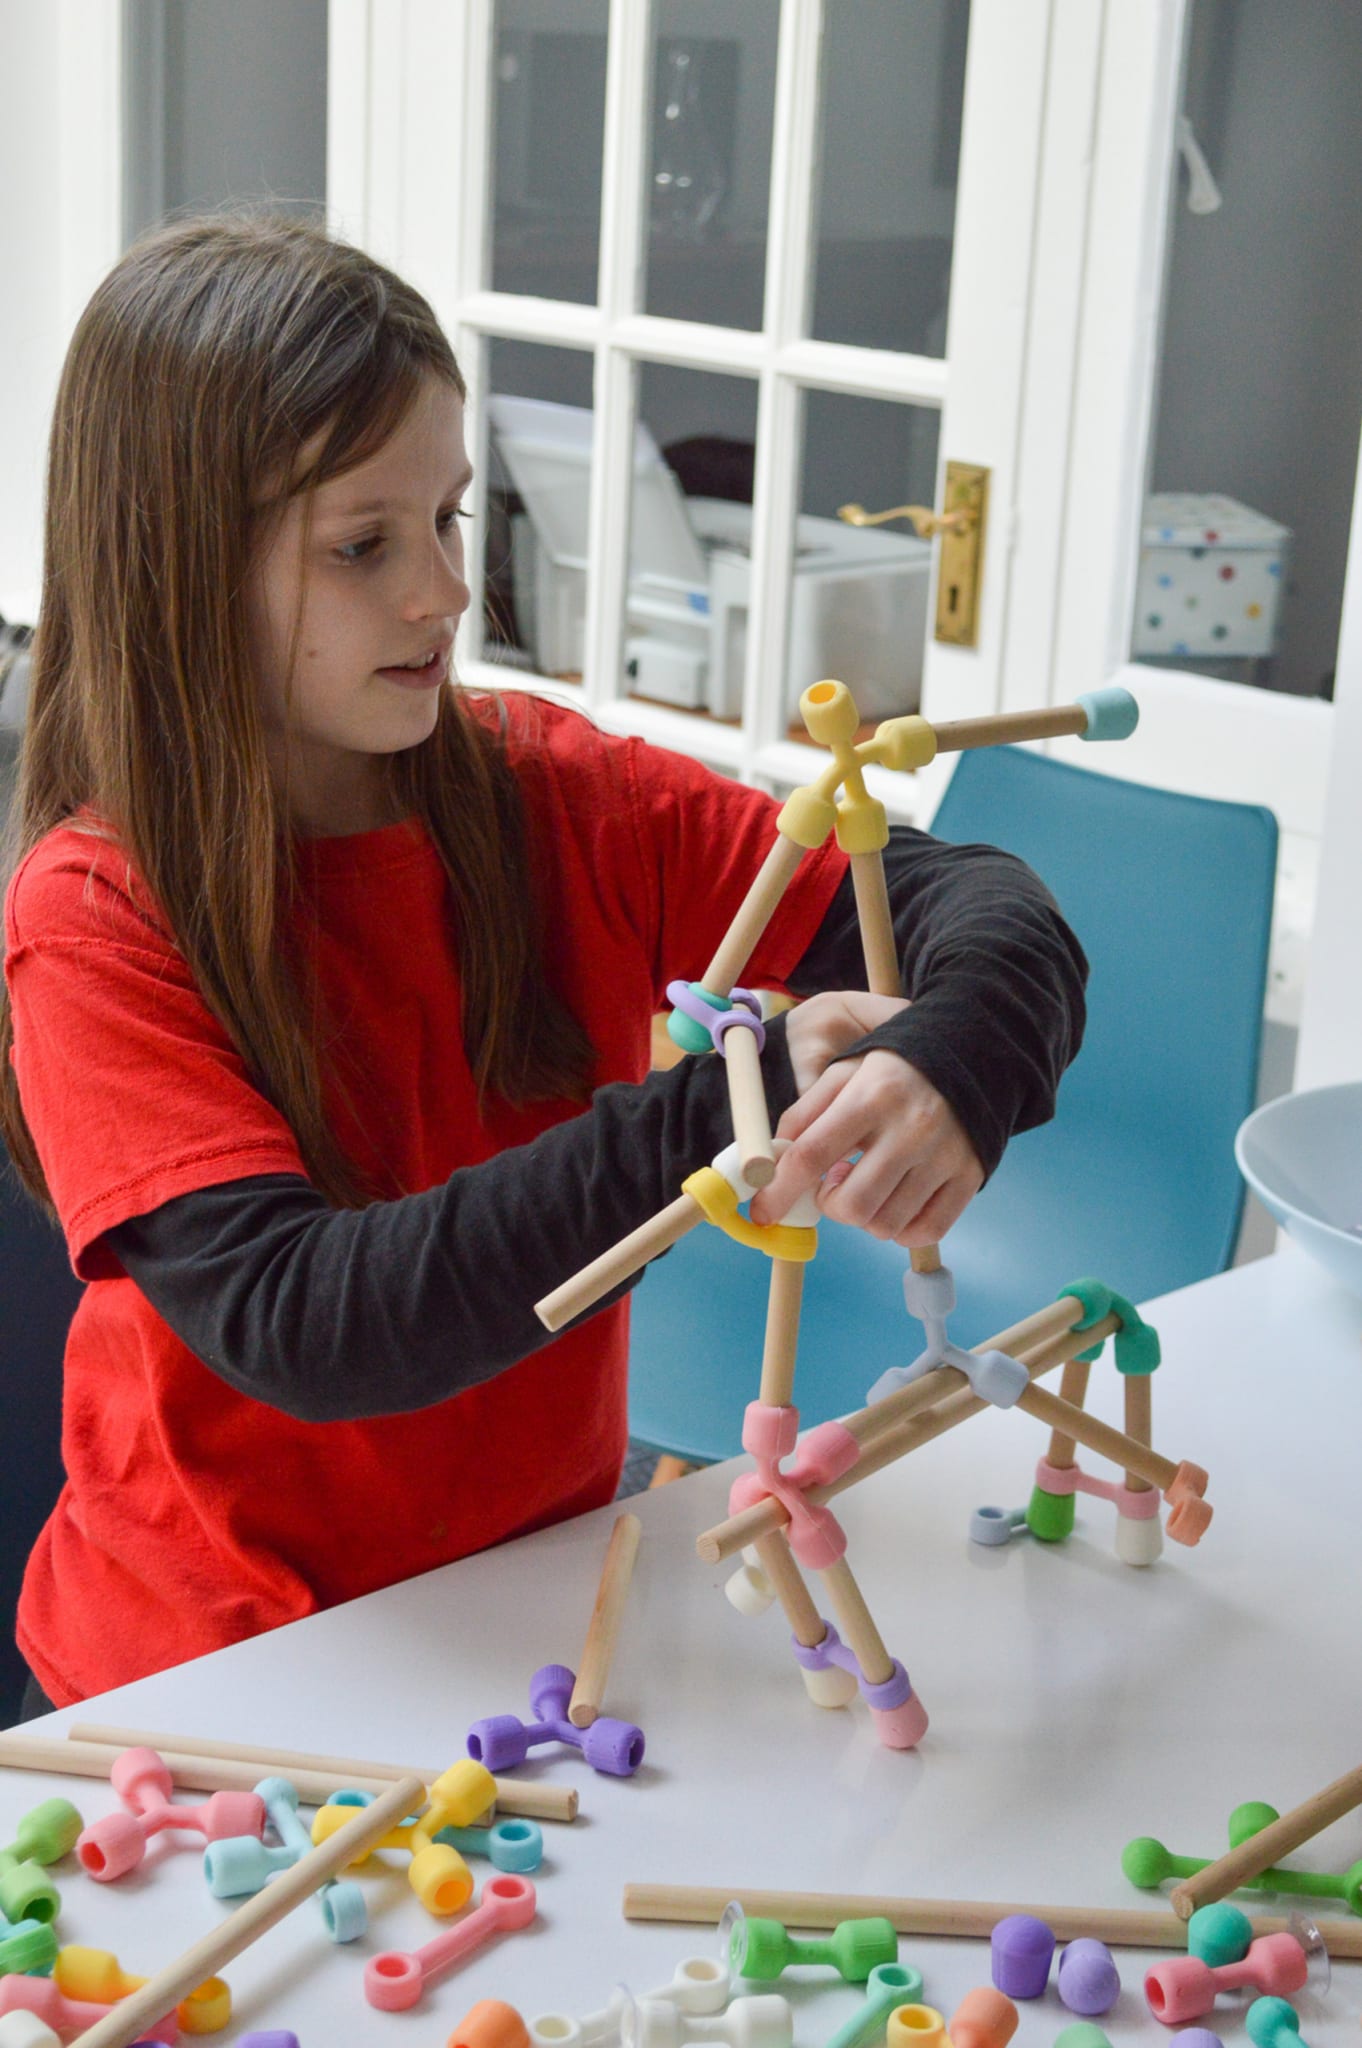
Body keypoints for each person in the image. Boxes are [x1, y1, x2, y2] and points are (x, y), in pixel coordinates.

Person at [0, 214, 1087, 1715]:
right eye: (362, 544)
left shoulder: (545, 792)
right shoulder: (95, 917)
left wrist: (951, 1060)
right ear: (180, 571)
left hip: (535, 1608)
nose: (444, 592)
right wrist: (732, 1108)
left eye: (449, 517)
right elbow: (310, 1324)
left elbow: (968, 897)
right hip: (208, 1674)